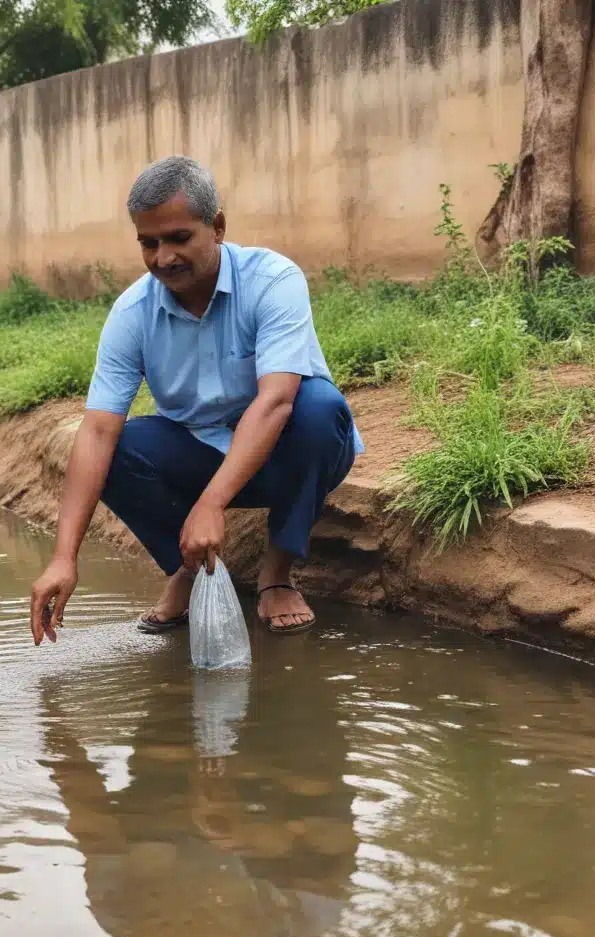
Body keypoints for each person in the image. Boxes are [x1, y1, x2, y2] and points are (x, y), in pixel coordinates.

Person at [30, 156, 363, 644]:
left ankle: (277, 572)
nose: (163, 257)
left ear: (218, 226)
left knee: (317, 406)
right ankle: (188, 570)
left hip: (292, 455)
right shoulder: (132, 313)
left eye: (179, 238)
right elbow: (98, 430)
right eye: (149, 242)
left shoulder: (273, 279)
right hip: (202, 453)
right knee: (115, 447)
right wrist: (64, 557)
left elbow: (275, 402)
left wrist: (210, 504)